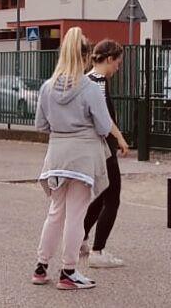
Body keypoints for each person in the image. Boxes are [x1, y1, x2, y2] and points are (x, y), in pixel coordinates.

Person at [32, 28, 112, 291]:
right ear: (87, 55)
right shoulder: (89, 88)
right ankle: (68, 271)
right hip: (83, 156)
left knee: (55, 212)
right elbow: (103, 126)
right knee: (76, 214)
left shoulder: (47, 87)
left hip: (56, 154)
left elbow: (40, 124)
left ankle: (41, 267)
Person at [82, 39, 130, 269]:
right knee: (112, 198)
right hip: (103, 149)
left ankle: (80, 239)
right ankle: (98, 251)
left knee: (100, 195)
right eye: (117, 63)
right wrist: (119, 137)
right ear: (109, 59)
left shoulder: (86, 79)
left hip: (91, 148)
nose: (117, 69)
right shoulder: (99, 82)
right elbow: (104, 118)